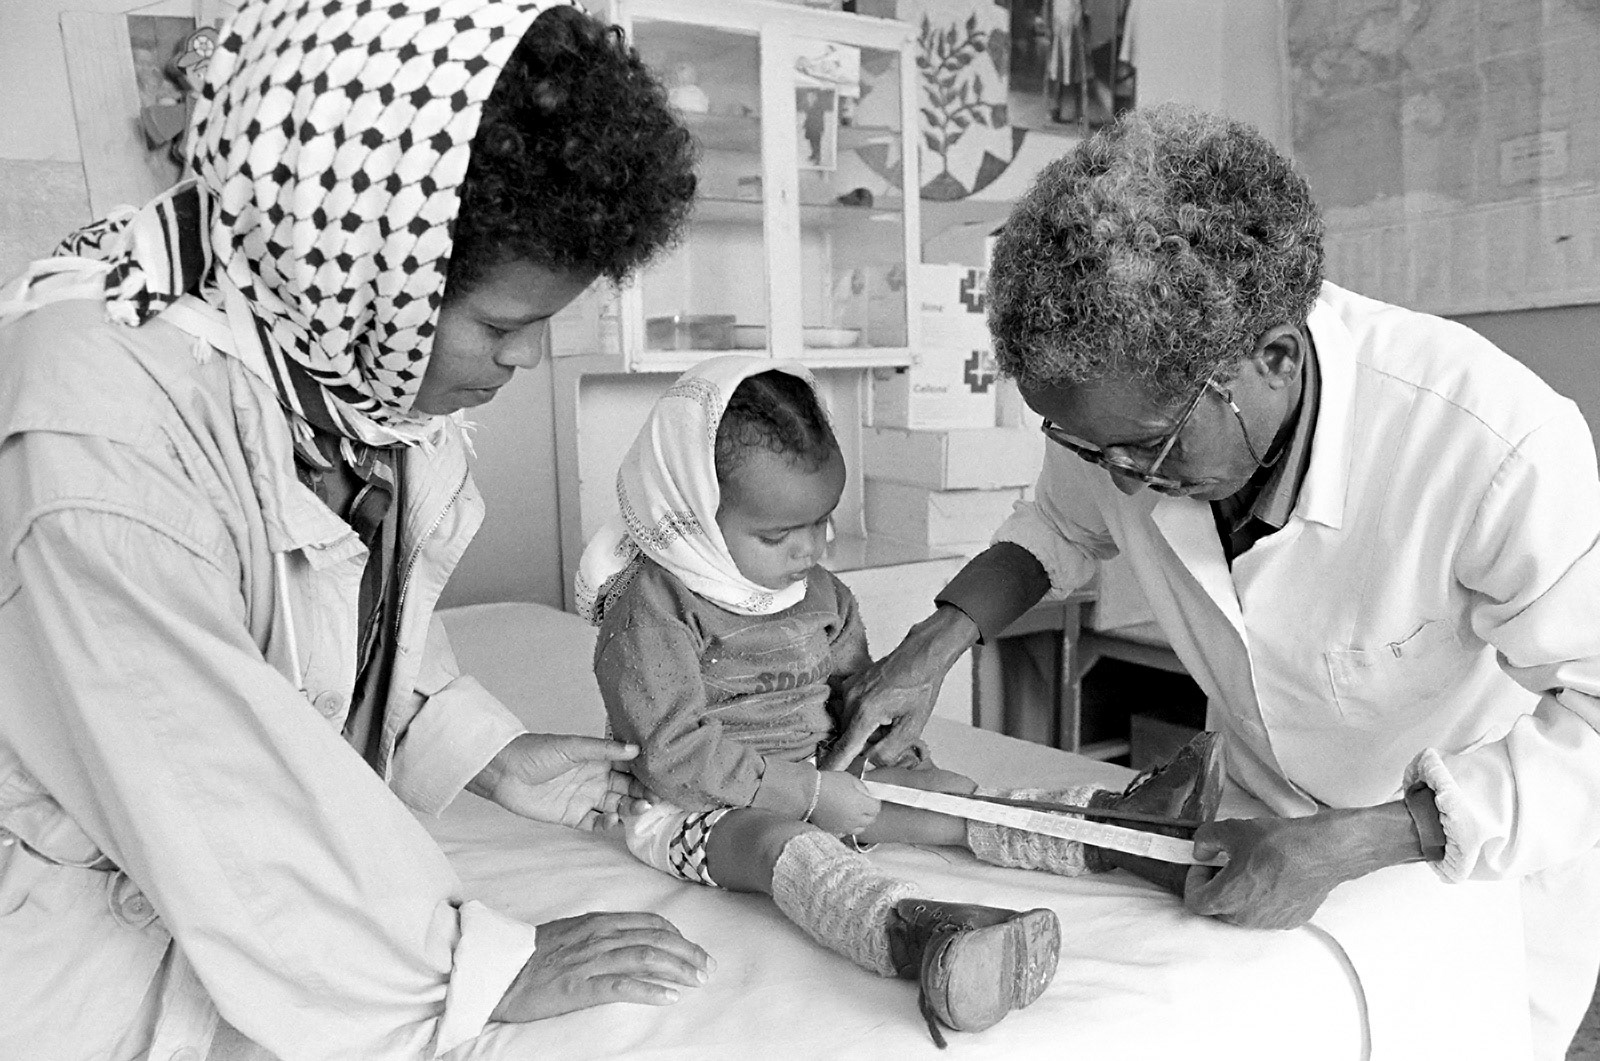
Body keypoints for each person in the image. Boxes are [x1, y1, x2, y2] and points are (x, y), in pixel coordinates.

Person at [0, 2, 711, 1058]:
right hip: (85, 953)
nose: (519, 362)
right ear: (373, 265)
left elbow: (354, 623)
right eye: (502, 326)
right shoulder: (100, 435)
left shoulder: (339, 380)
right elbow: (212, 789)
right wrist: (462, 967)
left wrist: (495, 754)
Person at [828, 102, 1600, 1059]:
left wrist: (1364, 840)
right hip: (1256, 823)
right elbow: (1057, 526)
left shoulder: (1490, 446)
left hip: (1459, 856)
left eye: (1146, 449)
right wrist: (934, 644)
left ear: (1271, 357)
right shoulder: (1123, 403)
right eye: (1086, 445)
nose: (1120, 476)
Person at [574, 355, 1224, 1045]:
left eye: (822, 523)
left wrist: (895, 758)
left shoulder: (820, 593)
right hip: (696, 804)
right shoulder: (651, 605)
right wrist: (809, 794)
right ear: (693, 511)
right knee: (779, 846)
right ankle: (923, 935)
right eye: (777, 536)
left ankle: (1124, 830)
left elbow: (854, 690)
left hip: (825, 773)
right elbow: (672, 751)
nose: (809, 550)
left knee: (947, 793)